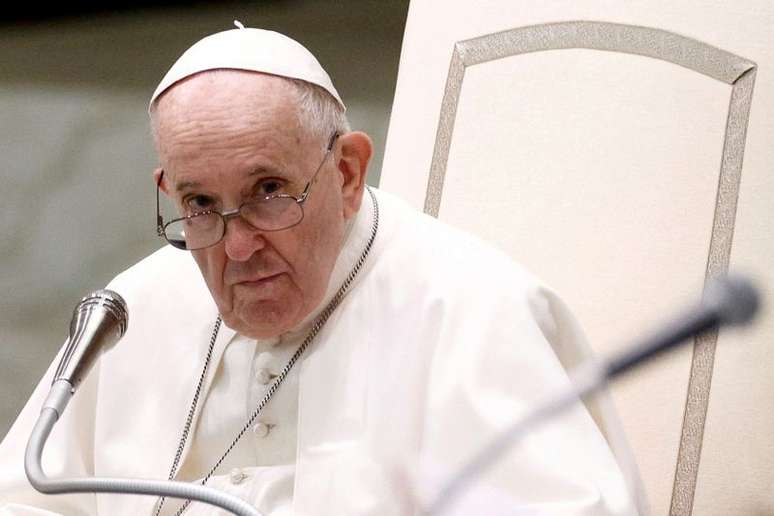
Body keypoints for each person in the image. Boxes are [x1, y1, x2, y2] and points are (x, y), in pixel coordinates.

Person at [0, 25, 636, 515]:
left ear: (348, 172)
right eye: (200, 205)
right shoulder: (135, 308)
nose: (238, 247)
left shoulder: (471, 311)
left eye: (269, 190)